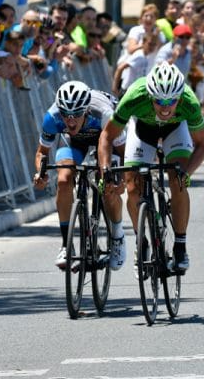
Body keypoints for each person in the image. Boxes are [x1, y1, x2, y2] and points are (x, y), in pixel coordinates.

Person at [98, 62, 204, 272]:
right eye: (159, 101)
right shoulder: (134, 97)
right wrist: (105, 170)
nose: (165, 107)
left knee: (178, 181)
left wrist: (187, 173)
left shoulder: (189, 102)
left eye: (171, 101)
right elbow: (107, 136)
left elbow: (202, 144)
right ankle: (142, 242)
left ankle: (180, 246)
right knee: (132, 188)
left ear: (180, 97)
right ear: (150, 96)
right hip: (143, 130)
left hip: (175, 130)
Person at [32, 81, 127, 271]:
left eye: (76, 115)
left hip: (106, 138)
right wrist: (40, 173)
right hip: (73, 142)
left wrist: (121, 179)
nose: (71, 121)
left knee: (108, 185)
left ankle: (117, 235)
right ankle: (66, 245)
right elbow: (42, 152)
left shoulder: (104, 114)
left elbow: (123, 152)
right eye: (66, 115)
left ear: (86, 111)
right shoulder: (52, 117)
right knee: (64, 179)